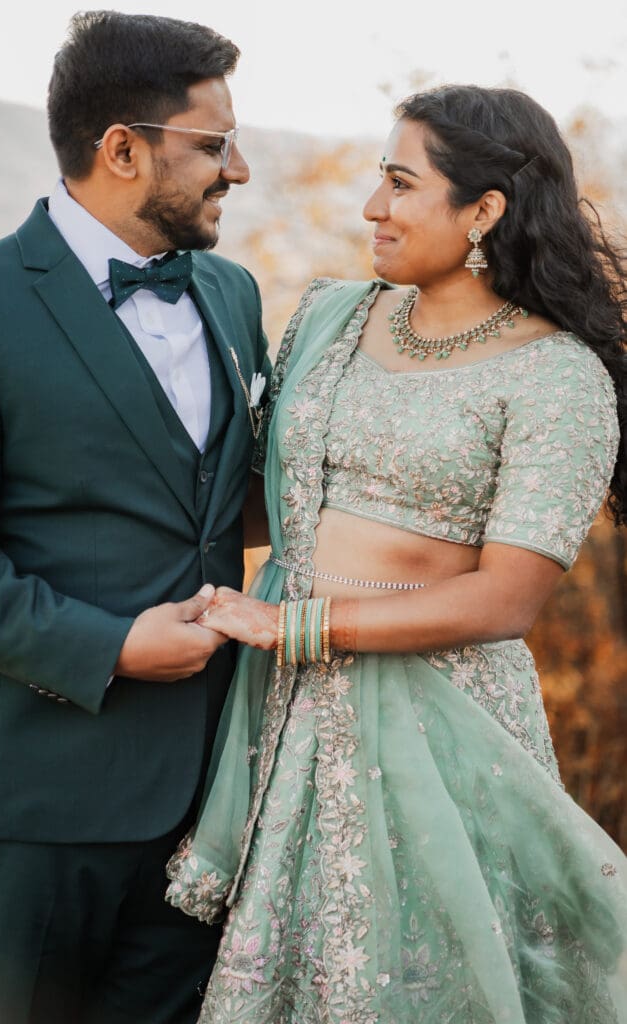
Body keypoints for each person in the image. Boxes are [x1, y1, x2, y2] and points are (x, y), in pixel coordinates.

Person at [166, 85, 627, 1022]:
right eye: (377, 177)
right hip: (280, 706)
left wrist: (291, 624)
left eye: (400, 182)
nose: (371, 206)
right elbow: (259, 500)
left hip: (436, 724)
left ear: (483, 210)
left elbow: (506, 600)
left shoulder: (558, 378)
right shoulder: (331, 316)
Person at [0, 11, 269, 1024]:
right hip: (32, 807)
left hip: (211, 806)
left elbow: (225, 498)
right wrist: (111, 645)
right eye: (212, 146)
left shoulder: (230, 291)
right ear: (122, 150)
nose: (239, 169)